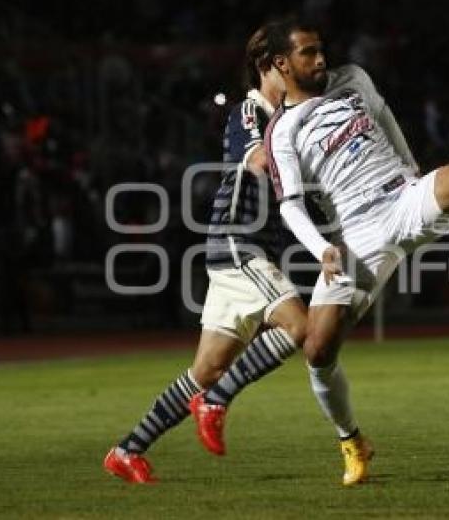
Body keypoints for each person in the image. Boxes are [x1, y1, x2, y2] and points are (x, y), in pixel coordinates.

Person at [191, 16, 449, 486]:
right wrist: (323, 249)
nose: (320, 58)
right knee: (318, 350)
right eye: (307, 53)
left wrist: (412, 169)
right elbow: (291, 207)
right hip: (355, 234)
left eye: (321, 49)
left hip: (402, 199)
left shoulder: (353, 79)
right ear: (282, 62)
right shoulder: (281, 130)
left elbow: (384, 119)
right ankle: (352, 441)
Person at [103, 25, 311, 483]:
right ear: (270, 65)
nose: (306, 67)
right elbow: (258, 160)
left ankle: (128, 449)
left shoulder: (287, 116)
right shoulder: (250, 112)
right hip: (239, 239)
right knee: (300, 326)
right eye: (296, 59)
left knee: (207, 369)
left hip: (248, 245)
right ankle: (217, 403)